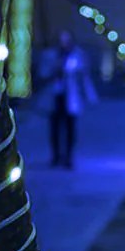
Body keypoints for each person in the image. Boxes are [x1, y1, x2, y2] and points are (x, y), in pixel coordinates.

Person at [50, 30, 98, 169]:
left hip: (70, 97)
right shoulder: (53, 55)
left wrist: (90, 96)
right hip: (56, 96)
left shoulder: (77, 55)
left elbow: (83, 76)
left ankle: (68, 156)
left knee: (70, 128)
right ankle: (56, 156)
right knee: (55, 128)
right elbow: (45, 72)